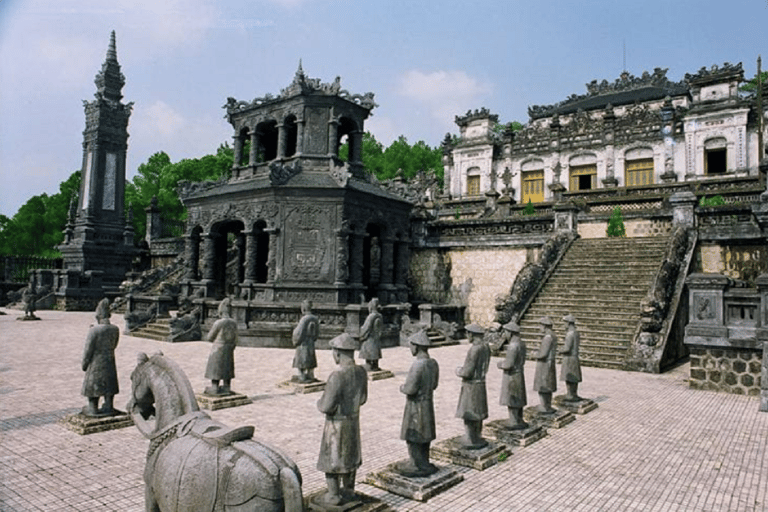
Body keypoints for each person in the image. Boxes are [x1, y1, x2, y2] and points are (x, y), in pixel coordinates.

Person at [316, 333, 368, 506]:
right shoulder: (361, 372)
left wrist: (319, 403)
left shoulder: (336, 376)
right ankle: (349, 490)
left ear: (337, 353)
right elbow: (363, 399)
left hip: (336, 424)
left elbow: (326, 406)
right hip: (353, 421)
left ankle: (333, 495)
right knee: (350, 455)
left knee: (331, 458)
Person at [396, 330, 440, 477]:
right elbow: (434, 385)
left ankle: (415, 463)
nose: (410, 349)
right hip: (428, 403)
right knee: (426, 434)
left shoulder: (418, 365)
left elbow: (410, 389)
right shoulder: (433, 363)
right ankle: (424, 461)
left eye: (411, 346)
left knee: (413, 435)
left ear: (416, 346)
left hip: (415, 405)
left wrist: (402, 387)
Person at [81, 298, 120, 416]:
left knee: (93, 384)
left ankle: (93, 408)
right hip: (109, 360)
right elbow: (114, 345)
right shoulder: (115, 329)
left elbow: (88, 349)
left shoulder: (94, 330)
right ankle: (109, 405)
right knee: (109, 382)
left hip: (96, 361)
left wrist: (84, 363)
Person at [455, 323, 490, 449]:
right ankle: (477, 436)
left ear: (471, 334)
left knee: (469, 413)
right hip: (481, 383)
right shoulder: (486, 346)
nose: (466, 336)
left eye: (467, 333)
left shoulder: (474, 349)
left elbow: (468, 372)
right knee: (478, 413)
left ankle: (471, 438)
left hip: (471, 385)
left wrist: (459, 371)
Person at [204, 298, 238, 396]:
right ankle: (227, 386)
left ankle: (215, 387)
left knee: (216, 367)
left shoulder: (219, 323)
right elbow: (236, 338)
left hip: (218, 347)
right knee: (227, 366)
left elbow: (210, 337)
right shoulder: (233, 322)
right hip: (229, 347)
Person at [498, 321, 528, 429]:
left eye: (505, 332)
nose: (504, 334)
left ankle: (513, 421)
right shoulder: (522, 343)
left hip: (512, 376)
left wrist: (500, 364)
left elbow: (508, 364)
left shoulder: (512, 346)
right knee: (519, 398)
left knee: (512, 399)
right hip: (519, 373)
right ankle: (519, 419)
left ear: (510, 333)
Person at [533, 316, 557, 414]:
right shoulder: (553, 335)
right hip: (550, 362)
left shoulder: (547, 337)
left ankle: (544, 406)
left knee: (543, 385)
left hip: (545, 363)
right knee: (548, 385)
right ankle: (548, 405)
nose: (540, 328)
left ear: (545, 326)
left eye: (541, 325)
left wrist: (534, 354)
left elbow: (543, 354)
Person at [292, 300, 319, 383]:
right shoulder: (315, 318)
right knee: (310, 358)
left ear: (303, 308)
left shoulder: (304, 319)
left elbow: (298, 332)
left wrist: (295, 340)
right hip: (311, 343)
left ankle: (302, 376)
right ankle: (310, 374)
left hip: (302, 343)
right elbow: (317, 333)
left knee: (301, 360)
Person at [559, 314, 583, 401]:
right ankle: (573, 393)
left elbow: (567, 348)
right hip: (575, 357)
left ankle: (570, 394)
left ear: (568, 323)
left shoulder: (570, 334)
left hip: (569, 357)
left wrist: (560, 350)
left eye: (565, 323)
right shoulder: (576, 333)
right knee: (574, 377)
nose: (564, 325)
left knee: (569, 377)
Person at [358, 298, 383, 371]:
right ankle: (375, 365)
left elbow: (366, 328)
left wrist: (361, 334)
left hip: (369, 338)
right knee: (375, 351)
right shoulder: (380, 316)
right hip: (376, 337)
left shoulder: (371, 317)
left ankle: (369, 365)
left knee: (369, 351)